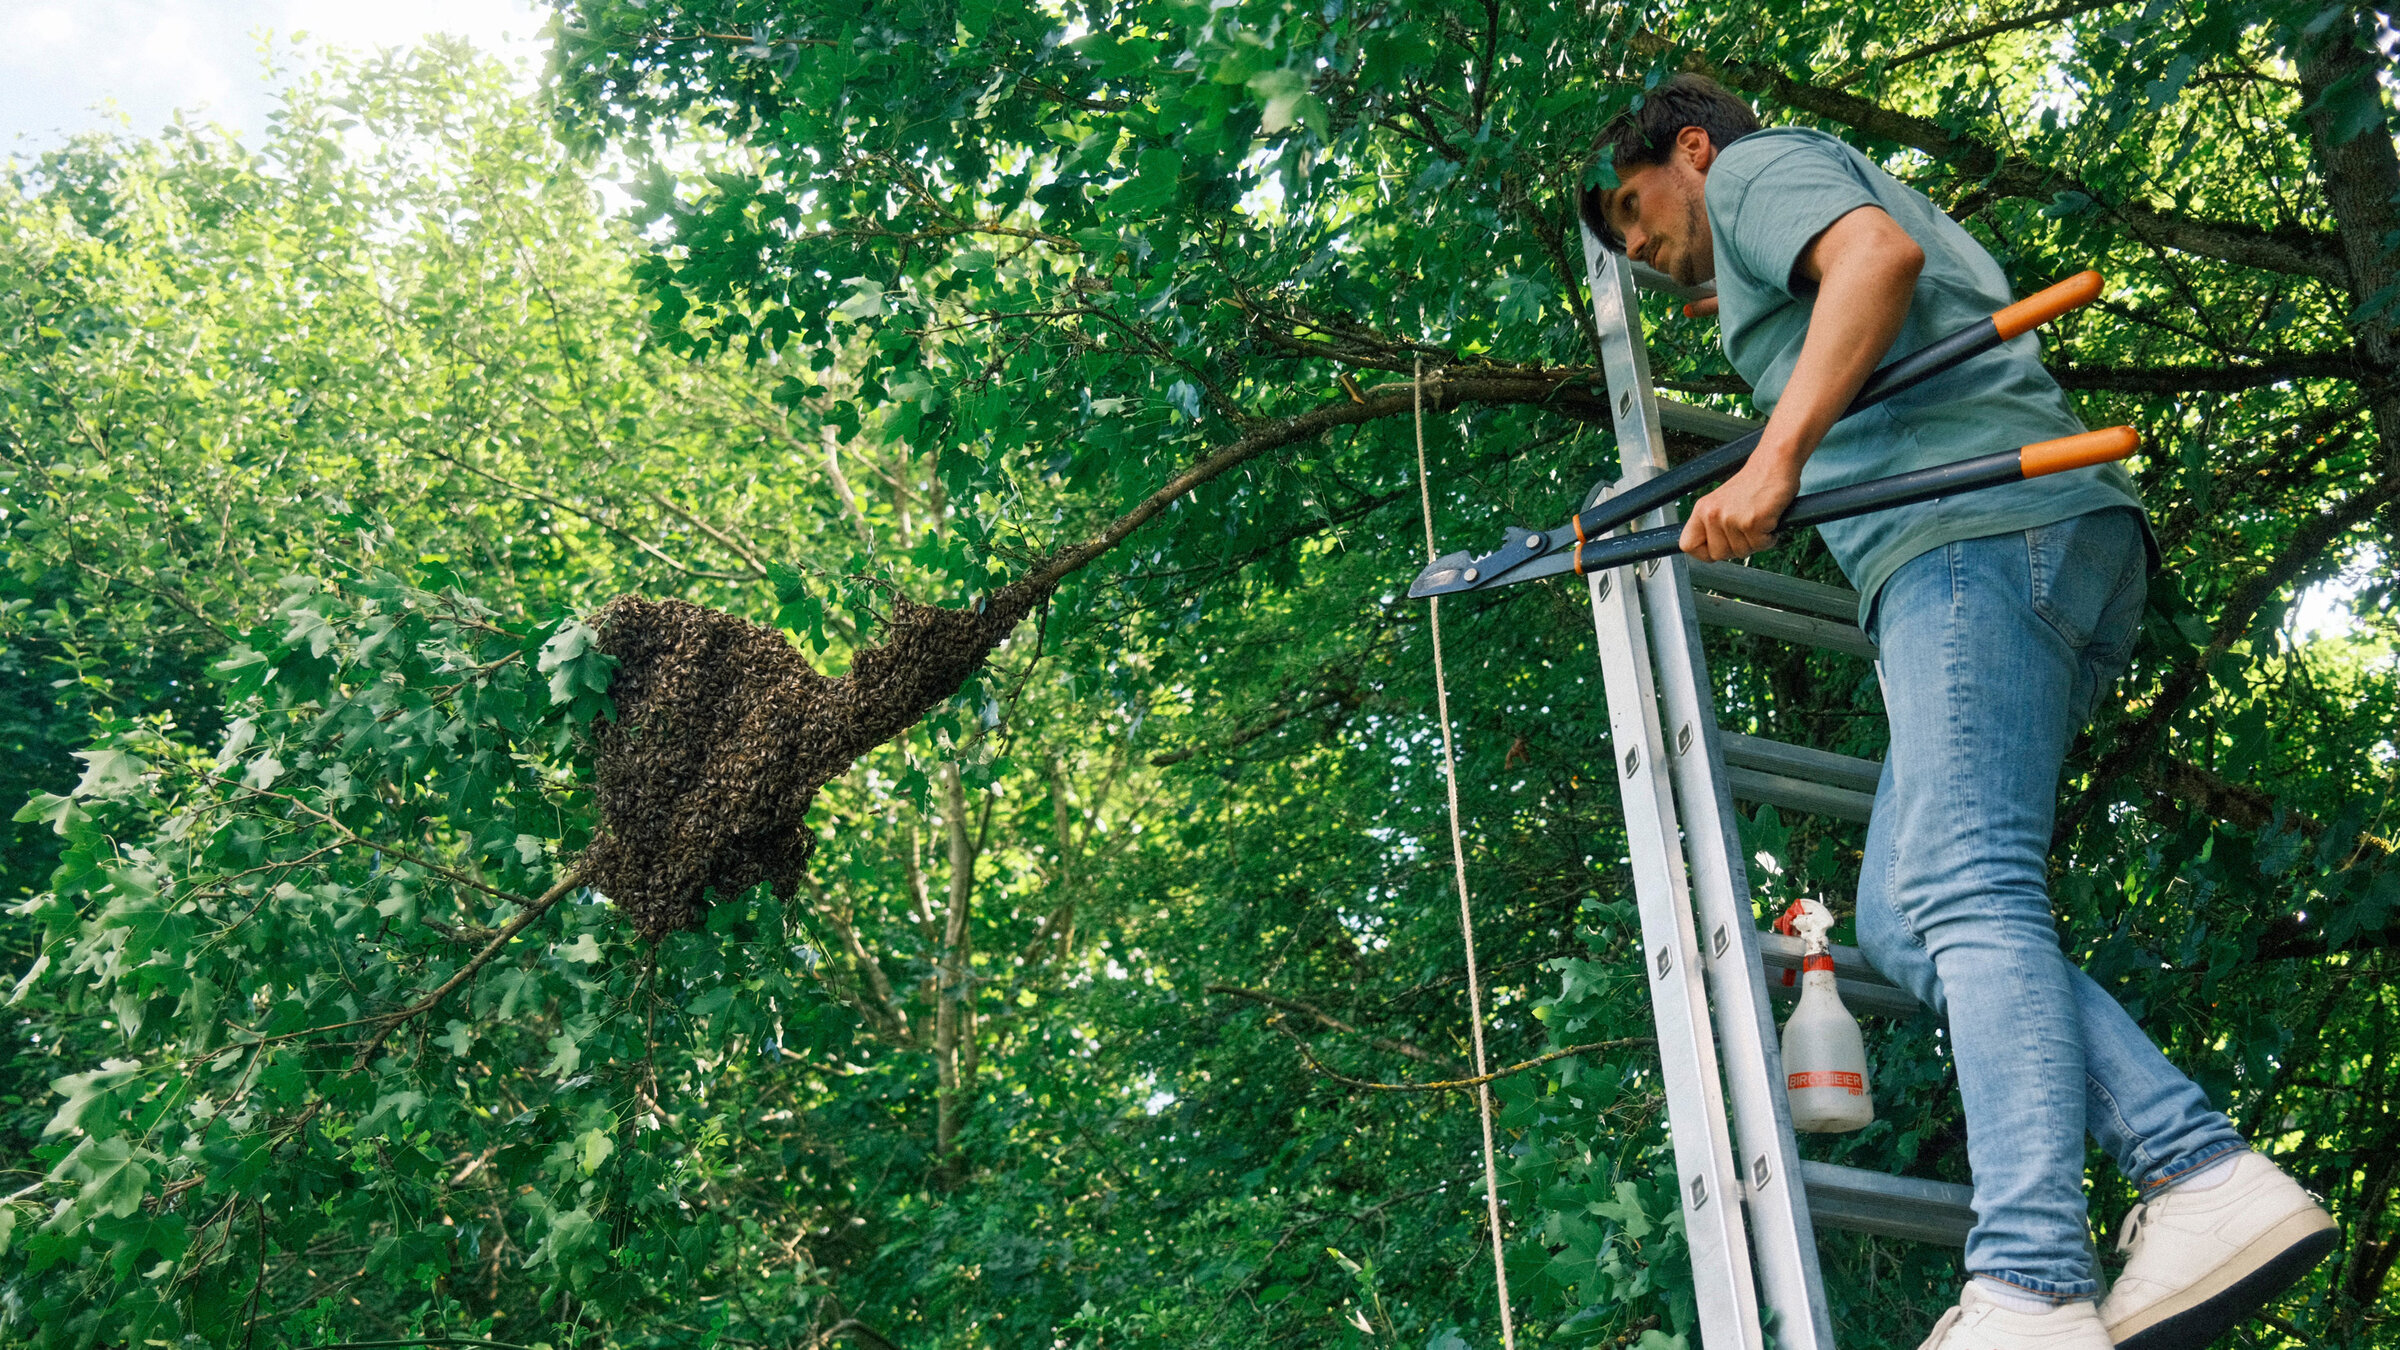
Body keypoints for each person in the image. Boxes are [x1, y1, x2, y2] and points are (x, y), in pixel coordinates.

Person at [1579, 74, 2338, 1350]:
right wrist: (1771, 386)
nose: (1639, 250)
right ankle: (2197, 1169)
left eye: (1636, 211)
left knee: (1969, 892)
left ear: (1692, 151)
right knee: (1903, 915)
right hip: (2025, 555)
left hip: (1973, 544)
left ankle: (2034, 1279)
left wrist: (1772, 458)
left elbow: (1877, 257)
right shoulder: (1763, 241)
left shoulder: (1763, 176)